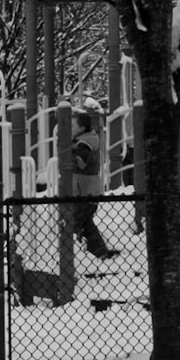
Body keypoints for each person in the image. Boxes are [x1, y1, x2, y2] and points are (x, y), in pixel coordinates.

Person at [70, 107, 118, 260]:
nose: (69, 129)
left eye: (72, 126)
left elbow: (81, 163)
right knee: (86, 224)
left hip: (84, 192)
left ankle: (73, 252)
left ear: (82, 128)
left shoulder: (85, 144)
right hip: (88, 191)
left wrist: (69, 155)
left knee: (74, 222)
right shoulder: (84, 140)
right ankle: (100, 251)